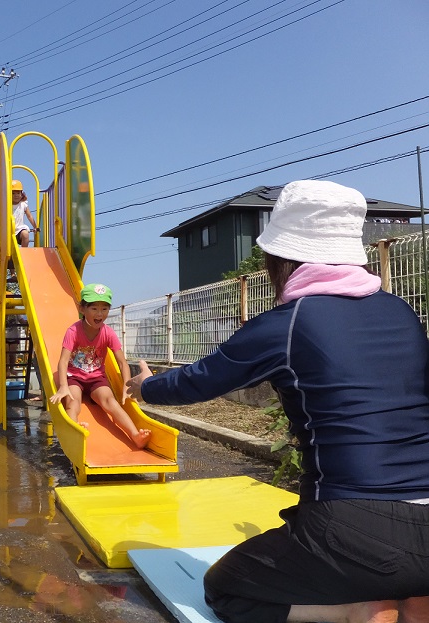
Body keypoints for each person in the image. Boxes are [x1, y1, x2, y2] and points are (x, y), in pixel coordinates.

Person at [127, 180, 429, 623]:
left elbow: (198, 381)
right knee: (403, 571)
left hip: (352, 527)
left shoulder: (286, 324)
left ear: (281, 257)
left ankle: (357, 611)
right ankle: (416, 599)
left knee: (225, 588)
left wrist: (145, 388)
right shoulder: (400, 311)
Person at [50, 283, 150, 448]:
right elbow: (62, 361)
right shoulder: (73, 331)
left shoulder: (108, 333)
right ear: (82, 309)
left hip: (96, 378)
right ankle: (74, 430)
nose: (100, 313)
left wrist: (125, 387)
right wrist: (63, 387)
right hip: (74, 377)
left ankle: (134, 435)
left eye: (104, 309)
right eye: (94, 308)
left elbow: (122, 363)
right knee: (72, 402)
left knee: (110, 401)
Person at [11, 180, 38, 247]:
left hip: (19, 229)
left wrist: (35, 226)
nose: (16, 195)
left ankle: (23, 252)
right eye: (13, 193)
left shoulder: (23, 204)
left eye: (18, 193)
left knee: (25, 234)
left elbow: (29, 216)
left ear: (22, 194)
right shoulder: (7, 205)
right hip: (8, 230)